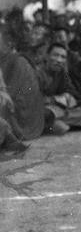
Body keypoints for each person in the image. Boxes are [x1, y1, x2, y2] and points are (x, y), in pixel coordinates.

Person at [38, 42, 81, 133]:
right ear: (47, 56)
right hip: (42, 108)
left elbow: (70, 89)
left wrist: (77, 99)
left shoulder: (62, 72)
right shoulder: (36, 73)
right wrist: (54, 99)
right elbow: (27, 97)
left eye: (63, 57)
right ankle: (50, 124)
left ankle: (51, 124)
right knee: (46, 114)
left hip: (58, 109)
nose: (59, 60)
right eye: (56, 55)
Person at [0, 25, 44, 153]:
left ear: (8, 42)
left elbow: (12, 94)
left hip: (19, 114)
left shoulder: (18, 61)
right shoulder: (3, 60)